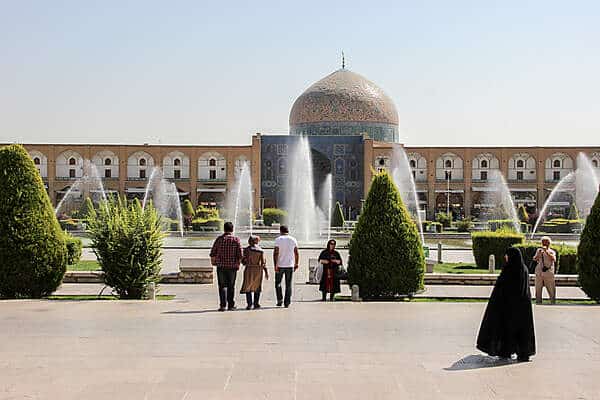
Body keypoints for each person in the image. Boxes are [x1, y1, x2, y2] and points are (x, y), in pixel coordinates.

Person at [476, 247, 536, 362]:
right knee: (521, 331)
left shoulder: (509, 269)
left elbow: (502, 288)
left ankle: (505, 351)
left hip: (508, 306)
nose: (505, 257)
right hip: (522, 307)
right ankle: (523, 353)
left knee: (507, 330)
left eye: (507, 255)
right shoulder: (524, 269)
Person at [210, 222, 243, 311]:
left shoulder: (219, 239)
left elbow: (213, 252)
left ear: (224, 229)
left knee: (222, 286)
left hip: (221, 266)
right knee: (231, 286)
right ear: (232, 229)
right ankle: (231, 305)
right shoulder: (236, 240)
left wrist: (213, 262)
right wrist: (238, 264)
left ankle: (223, 305)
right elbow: (240, 254)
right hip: (232, 267)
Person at [240, 235, 268, 310]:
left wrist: (245, 262)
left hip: (249, 268)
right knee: (257, 286)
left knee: (247, 286)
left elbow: (243, 261)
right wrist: (266, 271)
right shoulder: (260, 250)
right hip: (258, 270)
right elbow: (263, 263)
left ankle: (249, 304)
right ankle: (256, 303)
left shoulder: (246, 250)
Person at [273, 225, 299, 308]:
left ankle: (279, 300)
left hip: (280, 265)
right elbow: (296, 253)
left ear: (280, 231)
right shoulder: (293, 239)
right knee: (288, 284)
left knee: (278, 283)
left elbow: (275, 253)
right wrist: (296, 263)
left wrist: (275, 265)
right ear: (288, 231)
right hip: (290, 265)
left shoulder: (278, 239)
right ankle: (287, 302)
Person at [533, 236, 557, 304]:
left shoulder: (552, 251)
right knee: (538, 288)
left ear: (549, 243)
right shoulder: (539, 250)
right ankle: (538, 301)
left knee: (551, 288)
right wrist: (539, 254)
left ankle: (553, 301)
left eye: (546, 243)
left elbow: (553, 259)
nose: (544, 244)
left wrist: (546, 252)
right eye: (543, 242)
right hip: (539, 271)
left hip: (549, 272)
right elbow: (535, 259)